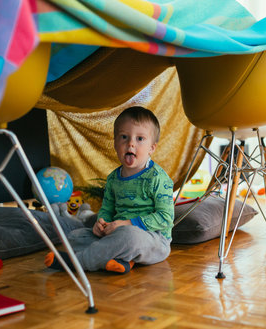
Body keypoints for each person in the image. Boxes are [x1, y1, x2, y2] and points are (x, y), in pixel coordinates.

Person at [44, 106, 174, 274]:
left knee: (129, 237)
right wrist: (101, 222)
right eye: (124, 137)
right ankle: (122, 260)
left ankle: (78, 263)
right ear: (115, 143)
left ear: (152, 148)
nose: (131, 143)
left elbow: (165, 218)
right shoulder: (113, 178)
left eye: (140, 138)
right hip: (116, 233)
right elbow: (107, 208)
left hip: (153, 240)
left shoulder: (158, 178)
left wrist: (126, 224)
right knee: (75, 236)